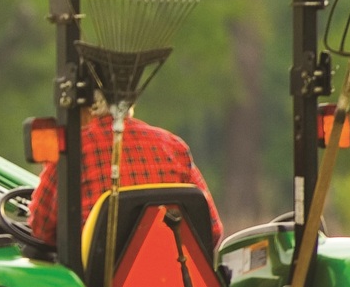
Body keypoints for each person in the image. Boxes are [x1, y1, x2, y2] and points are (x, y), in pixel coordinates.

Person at [27, 97, 223, 248]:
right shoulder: (174, 146)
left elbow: (41, 229)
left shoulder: (72, 152)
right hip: (174, 282)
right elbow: (212, 230)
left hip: (95, 286)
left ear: (86, 108)